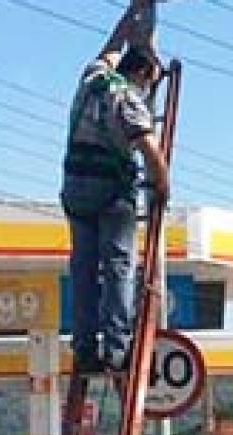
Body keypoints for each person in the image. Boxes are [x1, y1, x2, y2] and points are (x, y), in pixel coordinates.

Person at [60, 0, 170, 374]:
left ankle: (84, 347)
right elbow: (151, 154)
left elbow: (113, 42)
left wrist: (136, 11)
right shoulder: (129, 101)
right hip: (110, 193)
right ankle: (117, 347)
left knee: (84, 271)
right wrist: (163, 189)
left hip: (75, 190)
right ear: (143, 74)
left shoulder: (92, 78)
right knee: (120, 267)